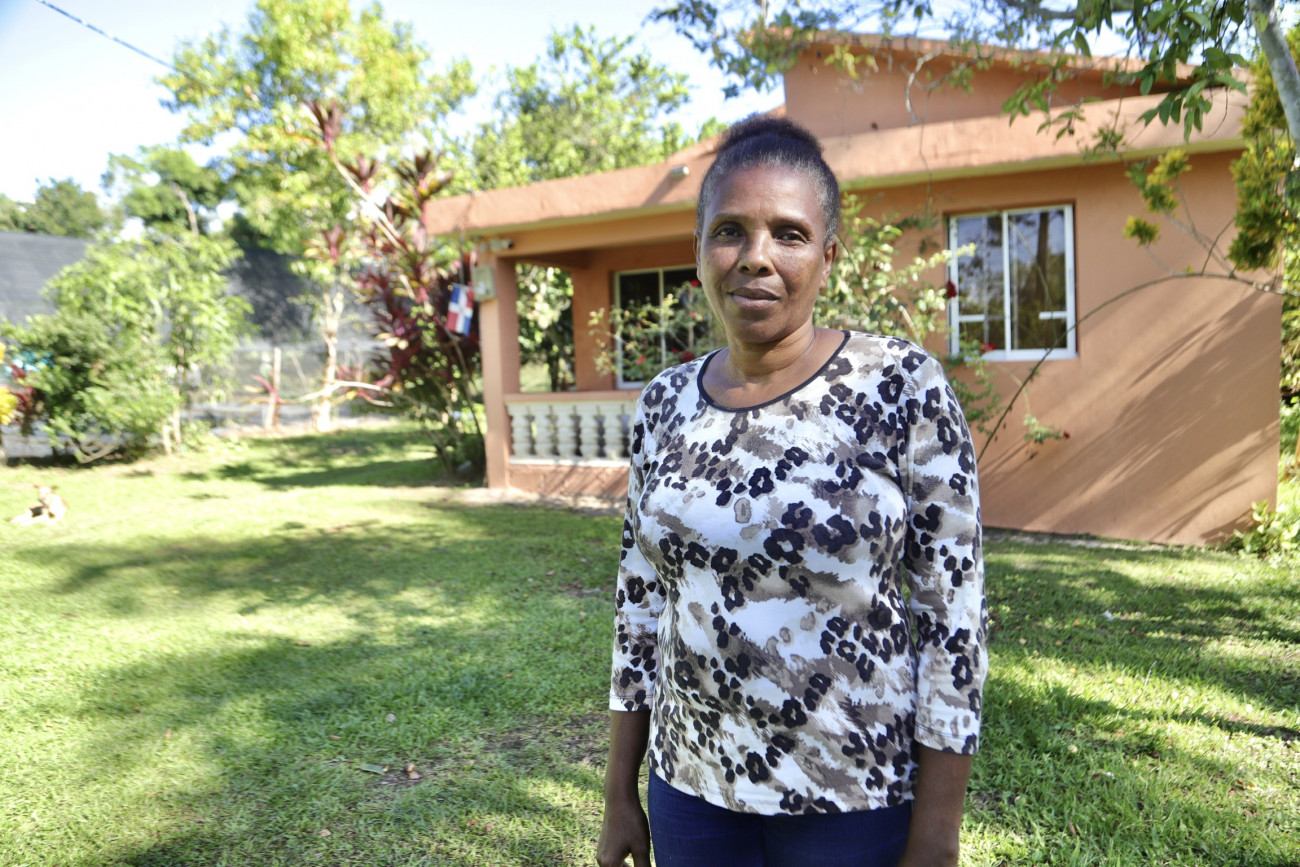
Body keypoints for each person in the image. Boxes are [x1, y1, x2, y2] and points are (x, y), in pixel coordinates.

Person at [596, 115, 988, 867]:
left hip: (853, 800)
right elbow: (639, 604)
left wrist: (938, 836)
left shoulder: (899, 387)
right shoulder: (664, 403)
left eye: (789, 234)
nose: (756, 256)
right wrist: (620, 789)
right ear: (699, 250)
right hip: (692, 790)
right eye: (730, 231)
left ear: (827, 255)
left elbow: (953, 619)